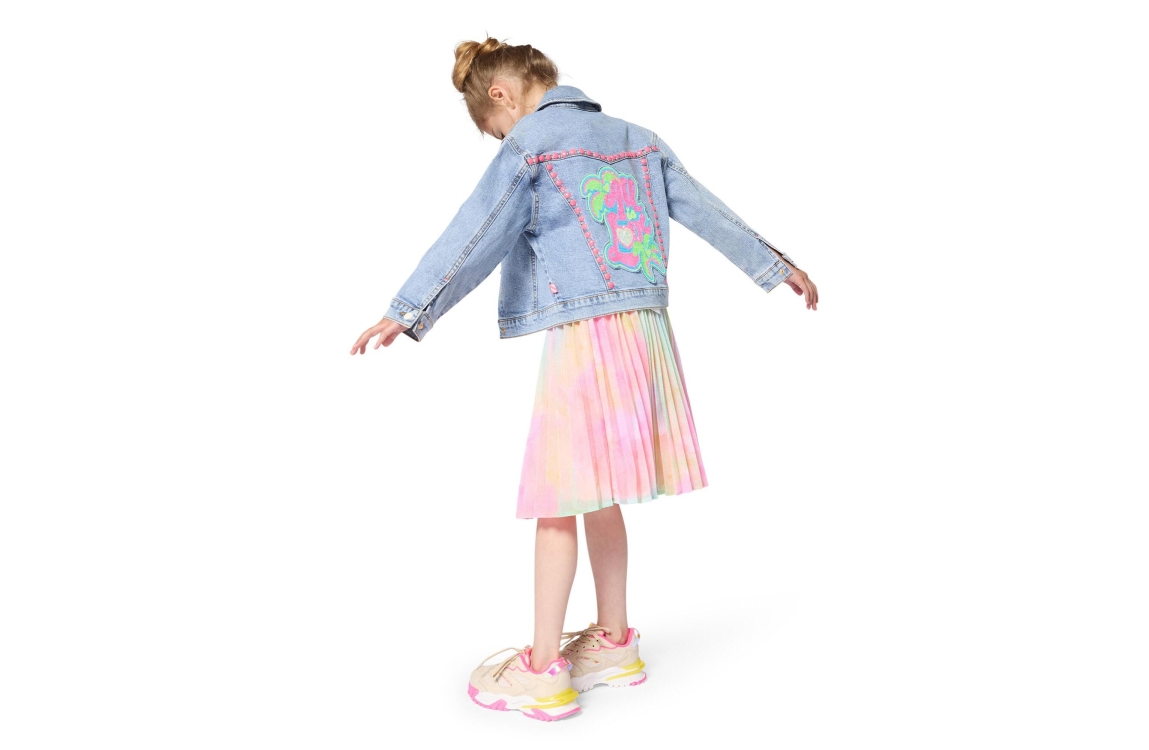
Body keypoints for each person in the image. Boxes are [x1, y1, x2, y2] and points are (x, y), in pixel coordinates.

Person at [350, 36, 819, 722]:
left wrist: (408, 310)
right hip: (647, 333)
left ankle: (543, 669)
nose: (501, 137)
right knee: (600, 493)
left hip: (585, 334)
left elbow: (474, 233)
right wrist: (778, 266)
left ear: (502, 97)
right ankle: (614, 643)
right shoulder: (637, 137)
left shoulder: (531, 146)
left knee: (557, 496)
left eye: (495, 127)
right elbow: (706, 210)